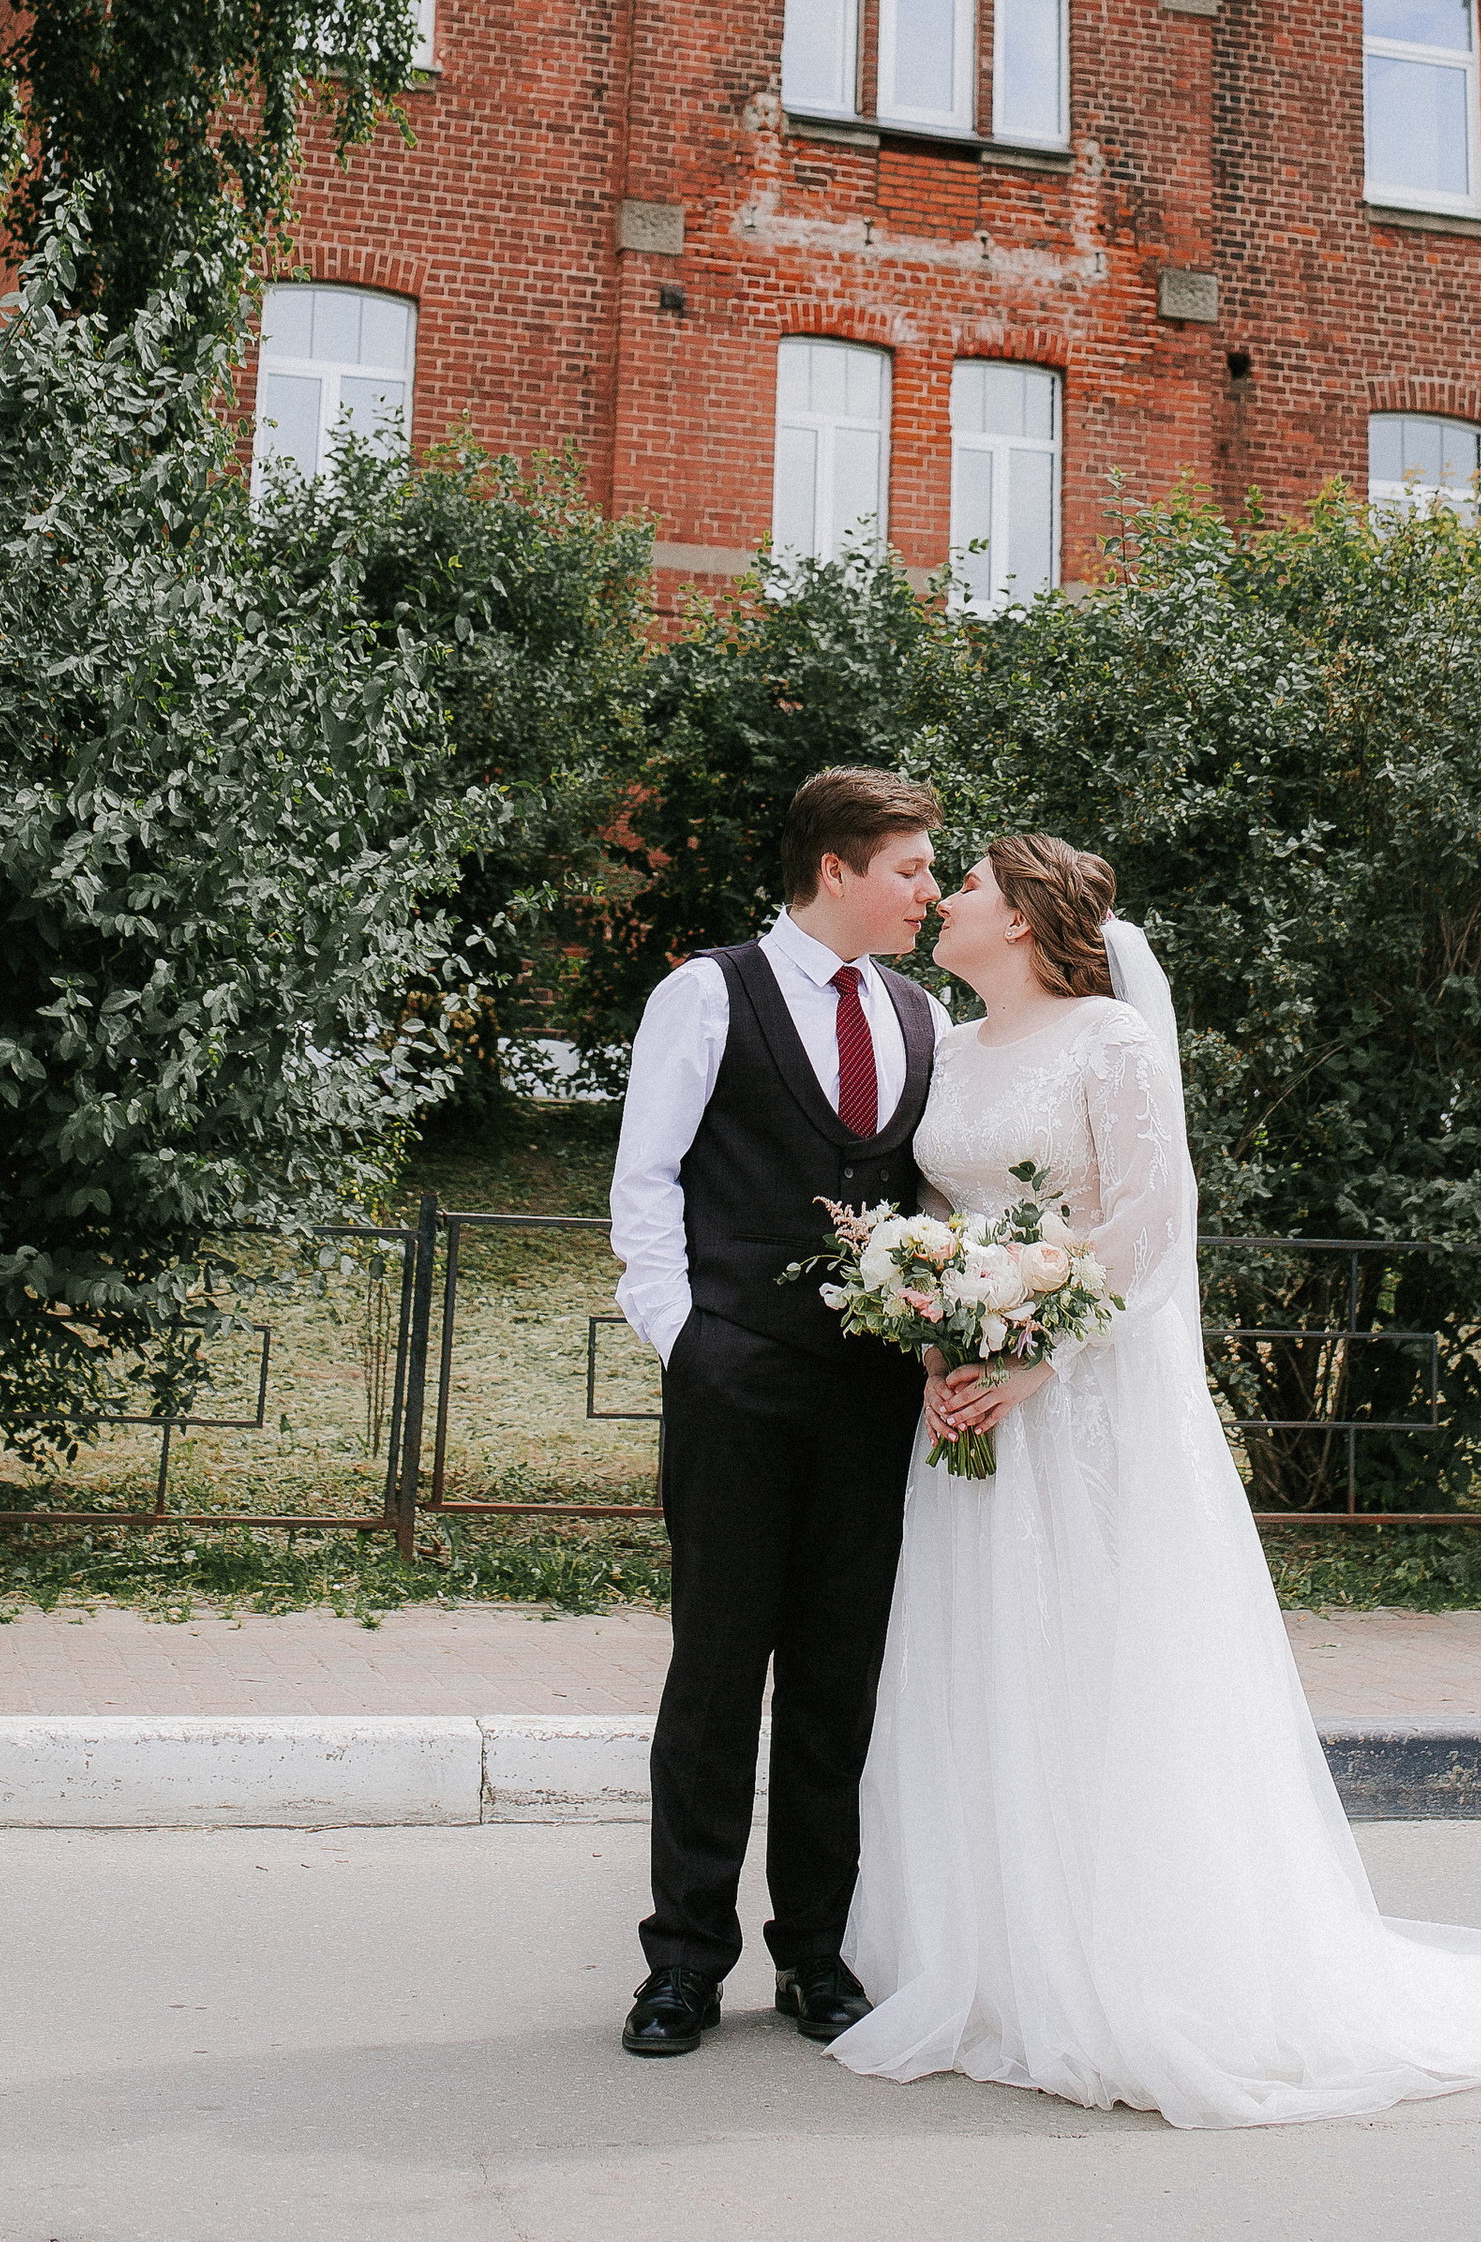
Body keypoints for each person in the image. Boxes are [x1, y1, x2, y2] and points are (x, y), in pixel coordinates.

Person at [830, 834, 1481, 2129]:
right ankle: (983, 1956)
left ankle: (1124, 1963)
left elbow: (1147, 1224)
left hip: (1079, 1408)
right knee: (984, 1664)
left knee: (1094, 1663)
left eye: (965, 884)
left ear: (1020, 920)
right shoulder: (947, 1052)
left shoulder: (1111, 1045)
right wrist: (939, 1330)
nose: (944, 899)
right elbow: (934, 1223)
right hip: (967, 1409)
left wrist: (1033, 1357)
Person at [607, 763, 951, 2060]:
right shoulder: (707, 994)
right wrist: (690, 1346)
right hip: (735, 1383)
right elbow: (643, 1184)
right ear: (838, 870)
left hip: (872, 1404)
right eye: (911, 869)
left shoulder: (919, 1014)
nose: (926, 890)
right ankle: (684, 1961)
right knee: (715, 1673)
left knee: (836, 1681)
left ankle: (816, 1954)